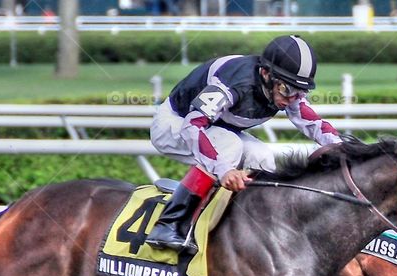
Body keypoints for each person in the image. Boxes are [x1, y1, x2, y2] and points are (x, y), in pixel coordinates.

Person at [146, 35, 342, 252]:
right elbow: (193, 126)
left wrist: (344, 148)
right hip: (175, 123)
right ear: (265, 74)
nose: (292, 99)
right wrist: (225, 170)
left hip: (216, 129)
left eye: (300, 92)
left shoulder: (283, 89)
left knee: (262, 156)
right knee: (229, 145)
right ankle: (169, 224)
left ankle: (250, 227)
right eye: (287, 89)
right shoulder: (234, 82)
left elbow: (313, 123)